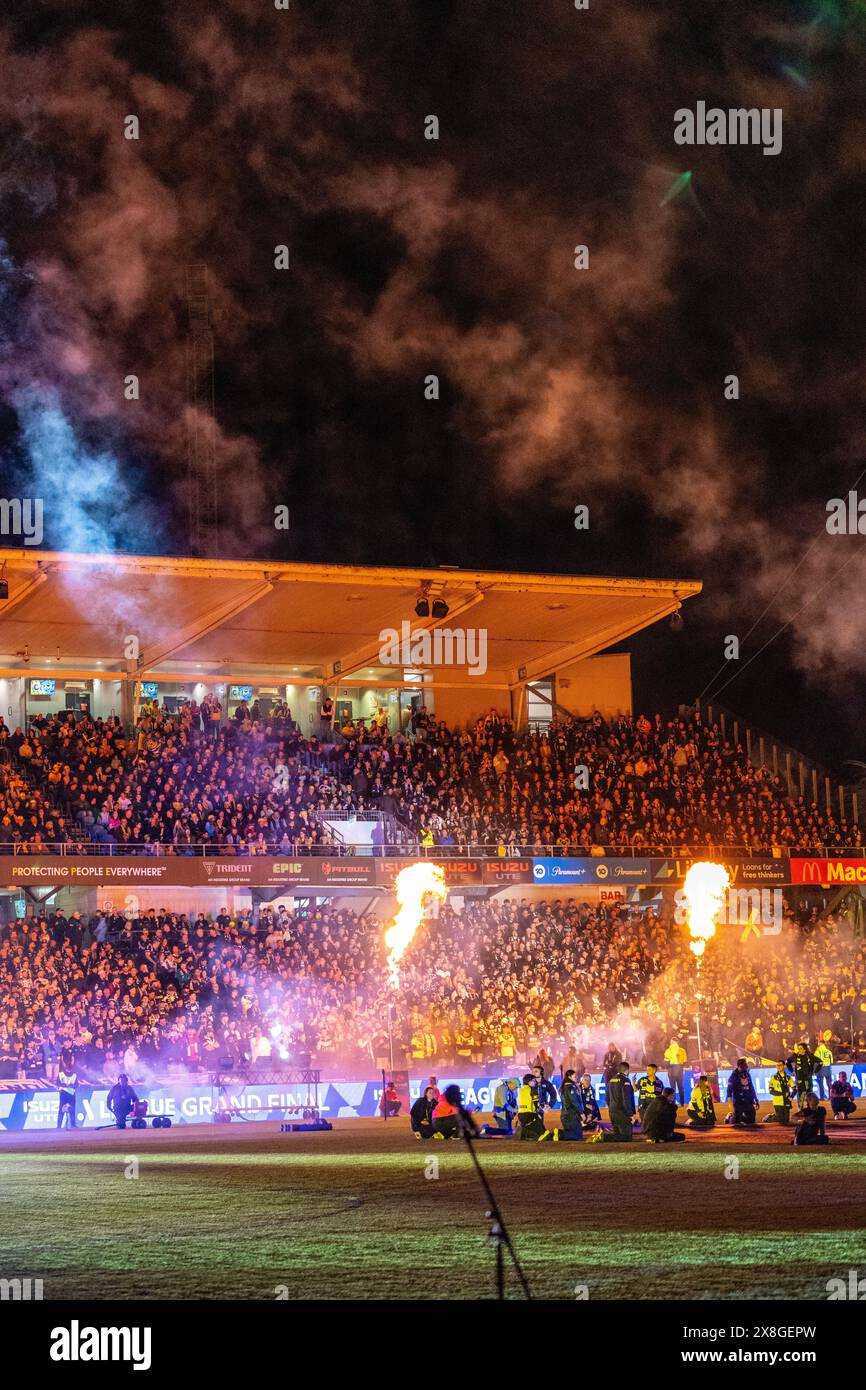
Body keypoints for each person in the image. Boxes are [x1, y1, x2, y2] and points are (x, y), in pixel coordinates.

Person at [592, 1062, 635, 1142]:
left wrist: (611, 1108)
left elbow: (607, 1098)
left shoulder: (611, 1080)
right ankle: (603, 1137)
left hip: (612, 1111)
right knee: (627, 1137)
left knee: (617, 1135)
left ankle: (605, 1139)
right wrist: (630, 1114)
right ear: (627, 1070)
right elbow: (626, 1099)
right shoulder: (625, 1080)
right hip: (622, 1112)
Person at [726, 1058, 758, 1126]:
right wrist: (730, 1103)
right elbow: (729, 1090)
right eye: (744, 1066)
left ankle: (735, 1118)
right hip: (738, 1102)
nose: (746, 1067)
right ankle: (730, 1118)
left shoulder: (747, 1074)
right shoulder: (733, 1077)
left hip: (748, 1100)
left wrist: (756, 1100)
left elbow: (751, 1087)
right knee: (737, 1122)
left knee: (752, 1120)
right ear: (739, 1066)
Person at [516, 1073, 546, 1141]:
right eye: (533, 1080)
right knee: (544, 1133)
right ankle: (527, 1133)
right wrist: (540, 1111)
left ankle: (524, 1133)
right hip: (530, 1115)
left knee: (530, 1128)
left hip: (520, 1115)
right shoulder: (532, 1090)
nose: (535, 1082)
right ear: (528, 1081)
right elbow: (536, 1104)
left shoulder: (521, 1090)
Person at [557, 1069, 584, 1141]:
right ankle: (560, 1134)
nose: (576, 1078)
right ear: (569, 1077)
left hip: (566, 1115)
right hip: (571, 1116)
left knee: (576, 1135)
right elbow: (574, 1102)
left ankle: (561, 1134)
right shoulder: (570, 1088)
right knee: (577, 1136)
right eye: (574, 1076)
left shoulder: (564, 1087)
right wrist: (581, 1113)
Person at [56, 1052, 78, 1130]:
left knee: (72, 1109)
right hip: (63, 1094)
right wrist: (65, 1086)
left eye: (70, 1070)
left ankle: (73, 1124)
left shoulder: (74, 1075)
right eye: (68, 1070)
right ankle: (59, 1125)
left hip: (71, 1094)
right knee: (61, 1109)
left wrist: (73, 1088)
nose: (69, 1071)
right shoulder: (61, 1074)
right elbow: (57, 1083)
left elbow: (76, 1085)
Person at [664, 1038, 687, 1106]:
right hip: (680, 1069)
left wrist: (667, 1067)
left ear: (672, 1042)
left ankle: (673, 1103)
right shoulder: (682, 1050)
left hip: (671, 1071)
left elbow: (666, 1062)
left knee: (672, 1088)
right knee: (680, 1087)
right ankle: (682, 1103)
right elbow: (685, 1061)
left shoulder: (668, 1050)